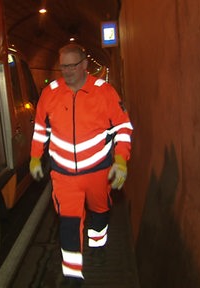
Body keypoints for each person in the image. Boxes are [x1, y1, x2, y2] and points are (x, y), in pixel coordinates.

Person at [29, 43, 133, 287]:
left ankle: (97, 245)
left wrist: (120, 160)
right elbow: (41, 129)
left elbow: (123, 128)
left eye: (72, 66)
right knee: (69, 222)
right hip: (64, 175)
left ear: (85, 65)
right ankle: (73, 276)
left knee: (99, 214)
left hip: (98, 172)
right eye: (63, 66)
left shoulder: (104, 92)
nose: (67, 71)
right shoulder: (50, 93)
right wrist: (36, 156)